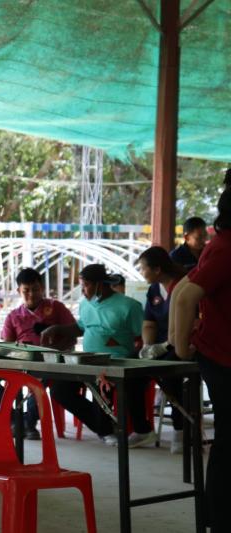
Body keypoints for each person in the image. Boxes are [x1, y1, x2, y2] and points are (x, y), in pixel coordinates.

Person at [171, 169, 231, 532]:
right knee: (229, 443)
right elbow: (186, 297)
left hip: (218, 353)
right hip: (223, 357)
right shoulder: (226, 247)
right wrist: (180, 347)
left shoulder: (219, 244)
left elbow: (182, 287)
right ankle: (221, 519)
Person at [42, 264, 155, 447]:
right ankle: (104, 427)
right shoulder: (85, 304)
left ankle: (108, 429)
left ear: (100, 285)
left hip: (115, 362)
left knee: (102, 387)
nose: (83, 290)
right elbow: (80, 328)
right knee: (59, 391)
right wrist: (57, 329)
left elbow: (142, 338)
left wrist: (131, 358)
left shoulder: (129, 306)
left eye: (86, 285)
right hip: (87, 361)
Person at [0, 268, 76, 440]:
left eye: (35, 289)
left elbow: (74, 334)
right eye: (26, 290)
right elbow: (7, 346)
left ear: (42, 289)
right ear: (19, 291)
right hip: (23, 362)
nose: (31, 294)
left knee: (42, 377)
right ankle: (15, 421)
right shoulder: (13, 316)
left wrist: (54, 347)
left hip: (52, 361)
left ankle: (27, 423)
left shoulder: (56, 307)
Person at [136, 246, 187, 453]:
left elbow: (189, 324)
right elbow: (149, 324)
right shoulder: (154, 290)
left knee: (169, 373)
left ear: (157, 269)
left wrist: (165, 346)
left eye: (143, 268)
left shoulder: (183, 286)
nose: (141, 272)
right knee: (133, 372)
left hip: (183, 343)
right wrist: (148, 347)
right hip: (159, 345)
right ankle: (142, 429)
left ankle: (181, 430)